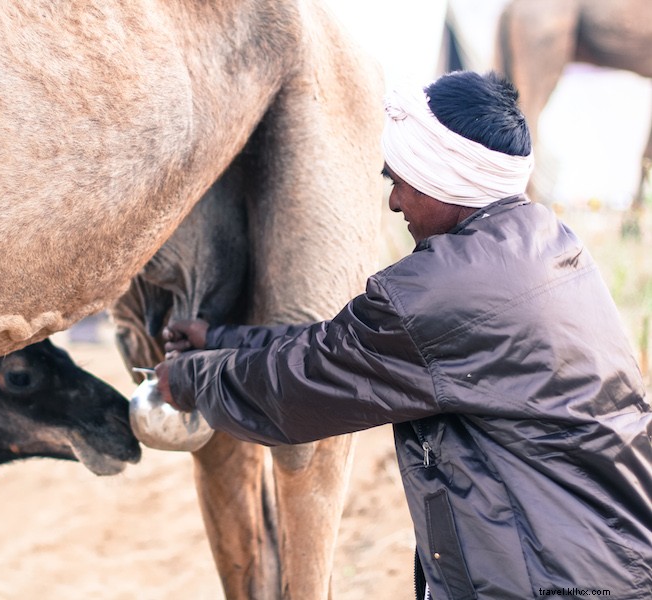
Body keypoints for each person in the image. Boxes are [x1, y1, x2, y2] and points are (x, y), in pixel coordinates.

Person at [154, 71, 652, 599]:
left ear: (446, 180)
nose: (394, 202)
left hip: (549, 582)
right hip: (614, 561)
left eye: (401, 180)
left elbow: (298, 388)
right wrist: (223, 339)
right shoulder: (547, 241)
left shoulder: (437, 291)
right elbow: (350, 346)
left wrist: (188, 380)